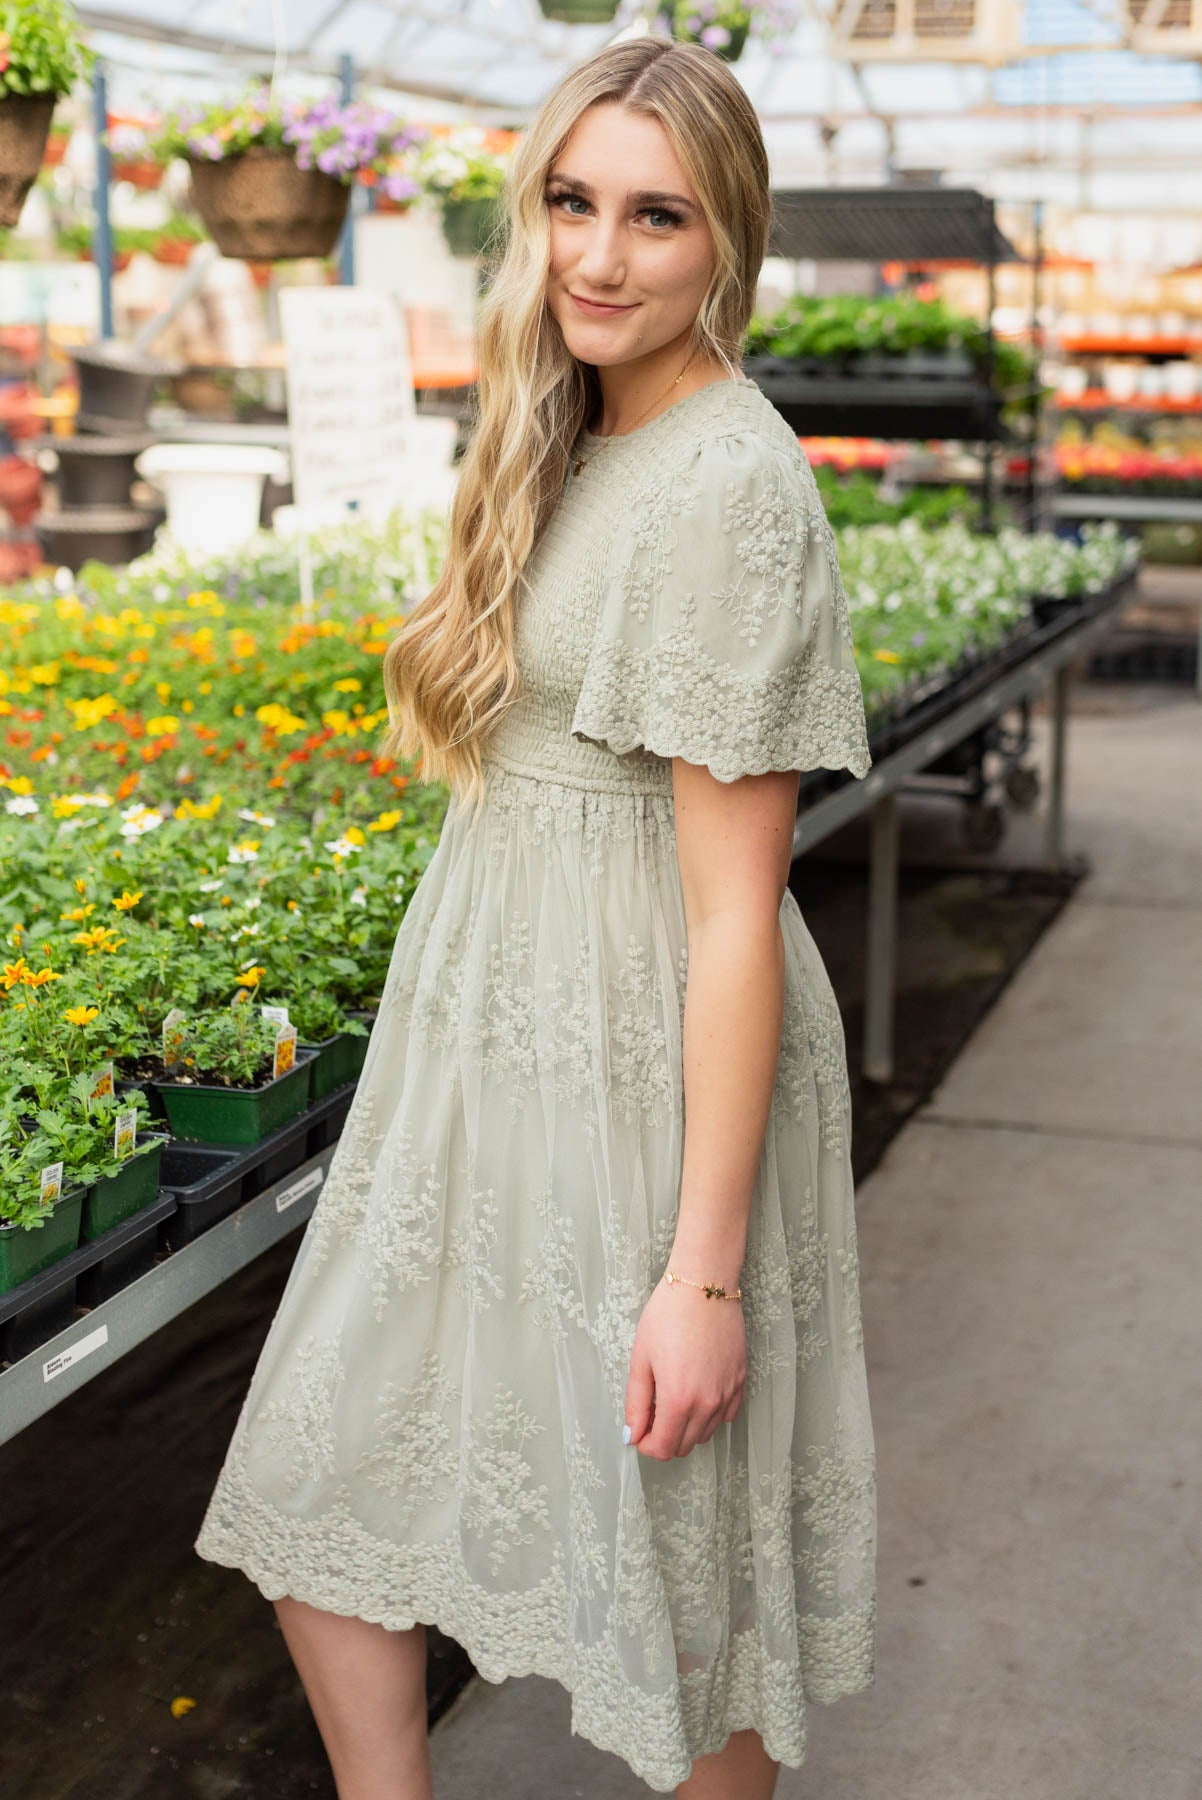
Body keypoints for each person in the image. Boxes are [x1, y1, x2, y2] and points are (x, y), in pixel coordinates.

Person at [195, 36, 877, 1800]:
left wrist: (700, 1273)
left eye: (655, 217)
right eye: (573, 203)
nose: (597, 254)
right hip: (493, 1035)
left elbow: (735, 912)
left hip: (646, 1057)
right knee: (323, 1483)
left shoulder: (731, 484)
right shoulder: (569, 428)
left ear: (728, 238)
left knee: (673, 1561)